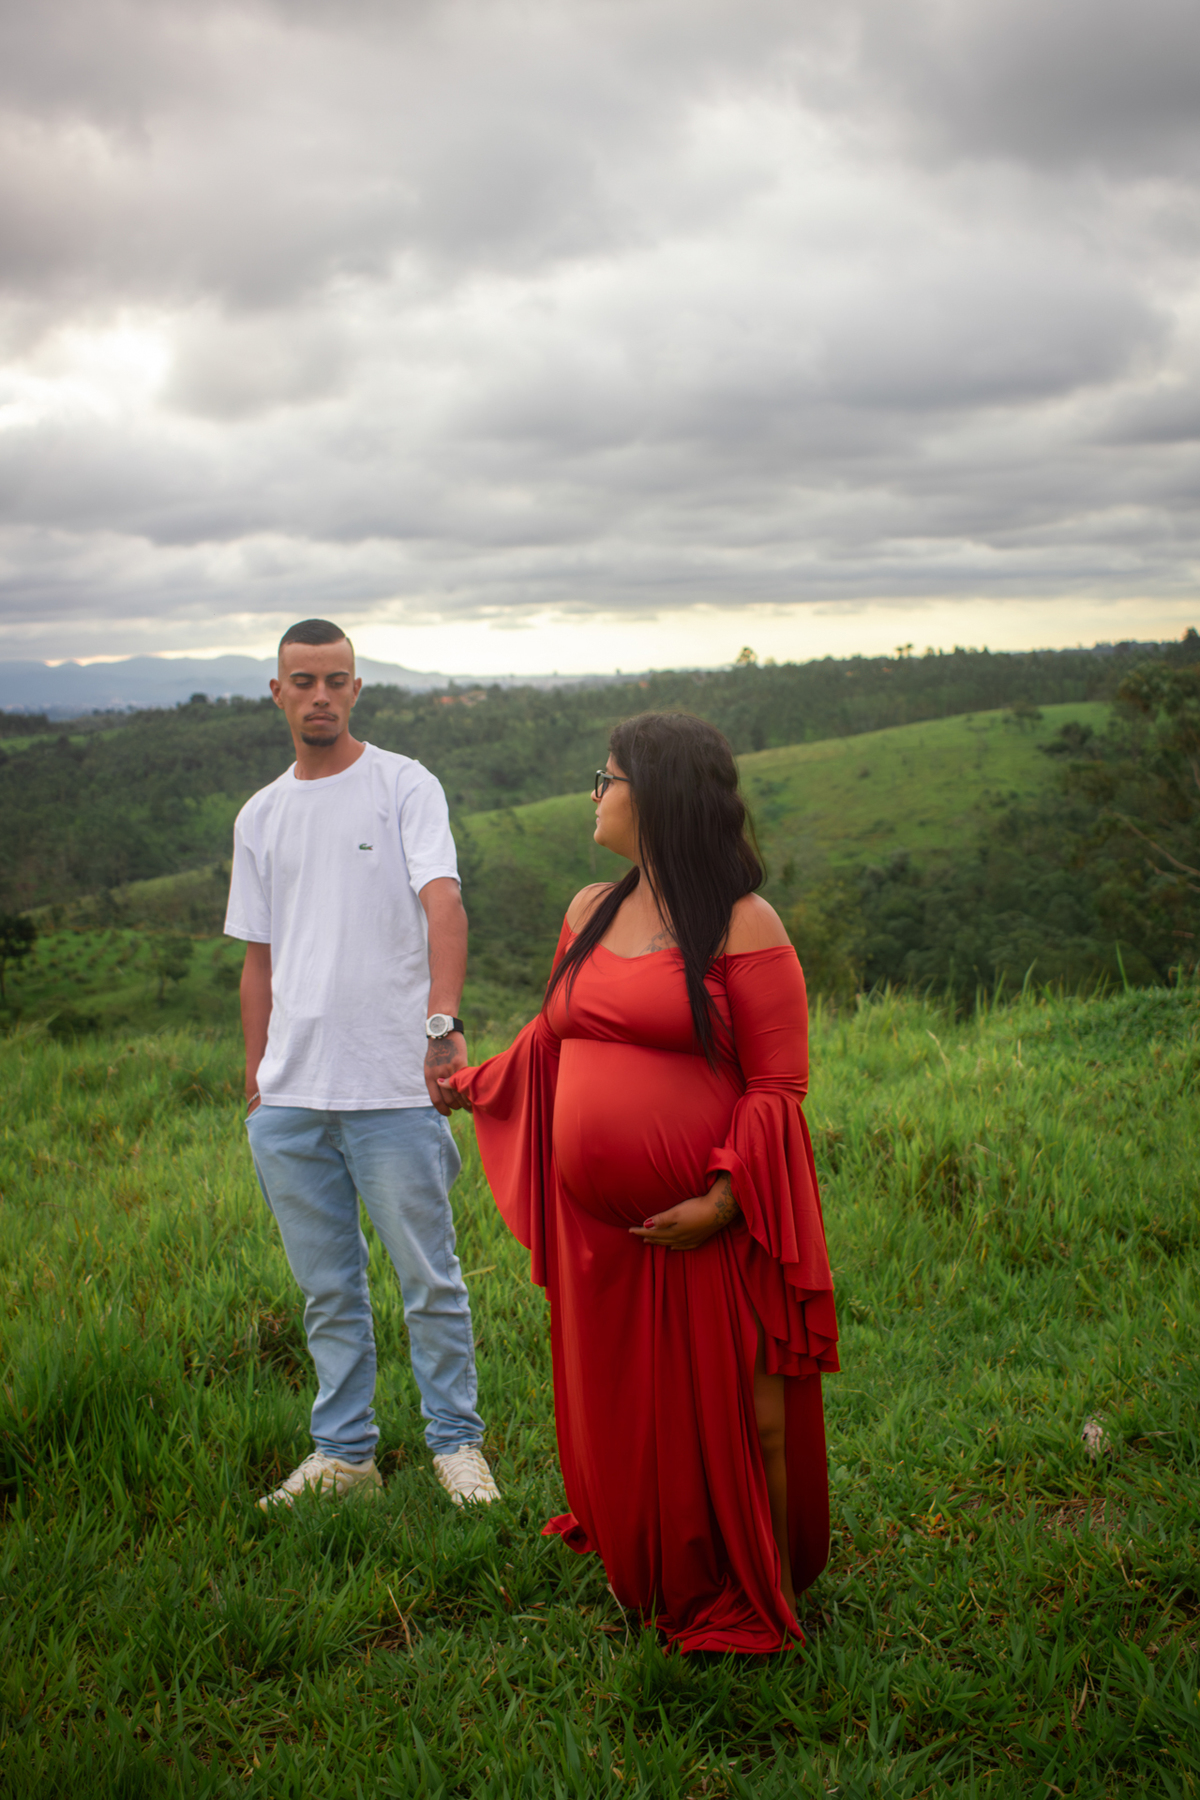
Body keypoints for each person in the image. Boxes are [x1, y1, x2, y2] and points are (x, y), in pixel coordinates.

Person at [439, 712, 838, 1654]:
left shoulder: (744, 922)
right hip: (600, 1233)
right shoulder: (587, 908)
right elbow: (553, 1039)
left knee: (756, 1414)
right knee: (628, 1411)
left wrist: (726, 1200)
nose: (594, 791)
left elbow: (778, 1087)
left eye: (606, 776)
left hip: (708, 1217)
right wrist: (465, 1084)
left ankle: (767, 1587)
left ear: (653, 796)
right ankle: (660, 1557)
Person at [224, 618, 499, 1511]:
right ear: (277, 692)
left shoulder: (403, 785)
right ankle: (345, 1456)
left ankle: (456, 1445)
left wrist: (442, 1023)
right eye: (301, 681)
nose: (319, 696)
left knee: (430, 1279)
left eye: (335, 680)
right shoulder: (261, 815)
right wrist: (261, 1081)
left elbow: (444, 904)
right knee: (327, 1292)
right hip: (292, 1097)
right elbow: (257, 959)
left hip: (393, 1084)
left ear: (355, 687)